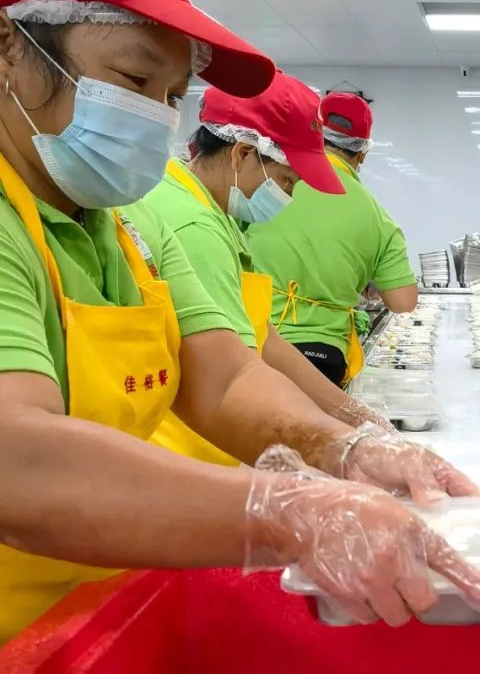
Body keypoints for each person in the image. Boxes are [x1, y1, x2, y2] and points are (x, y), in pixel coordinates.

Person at [0, 0, 480, 642]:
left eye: (170, 95)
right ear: (10, 49)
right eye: (133, 81)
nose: (156, 120)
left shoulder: (117, 224)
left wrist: (349, 445)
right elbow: (17, 463)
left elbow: (224, 375)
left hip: (87, 624)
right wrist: (285, 512)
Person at [135, 72, 389, 465]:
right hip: (190, 454)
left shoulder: (209, 208)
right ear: (241, 154)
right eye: (286, 181)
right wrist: (344, 449)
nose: (287, 197)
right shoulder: (195, 228)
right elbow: (229, 378)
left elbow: (264, 339)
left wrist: (360, 421)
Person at [249, 91, 418, 390]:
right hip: (324, 355)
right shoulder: (377, 216)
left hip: (253, 343)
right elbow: (403, 302)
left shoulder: (267, 185)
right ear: (362, 154)